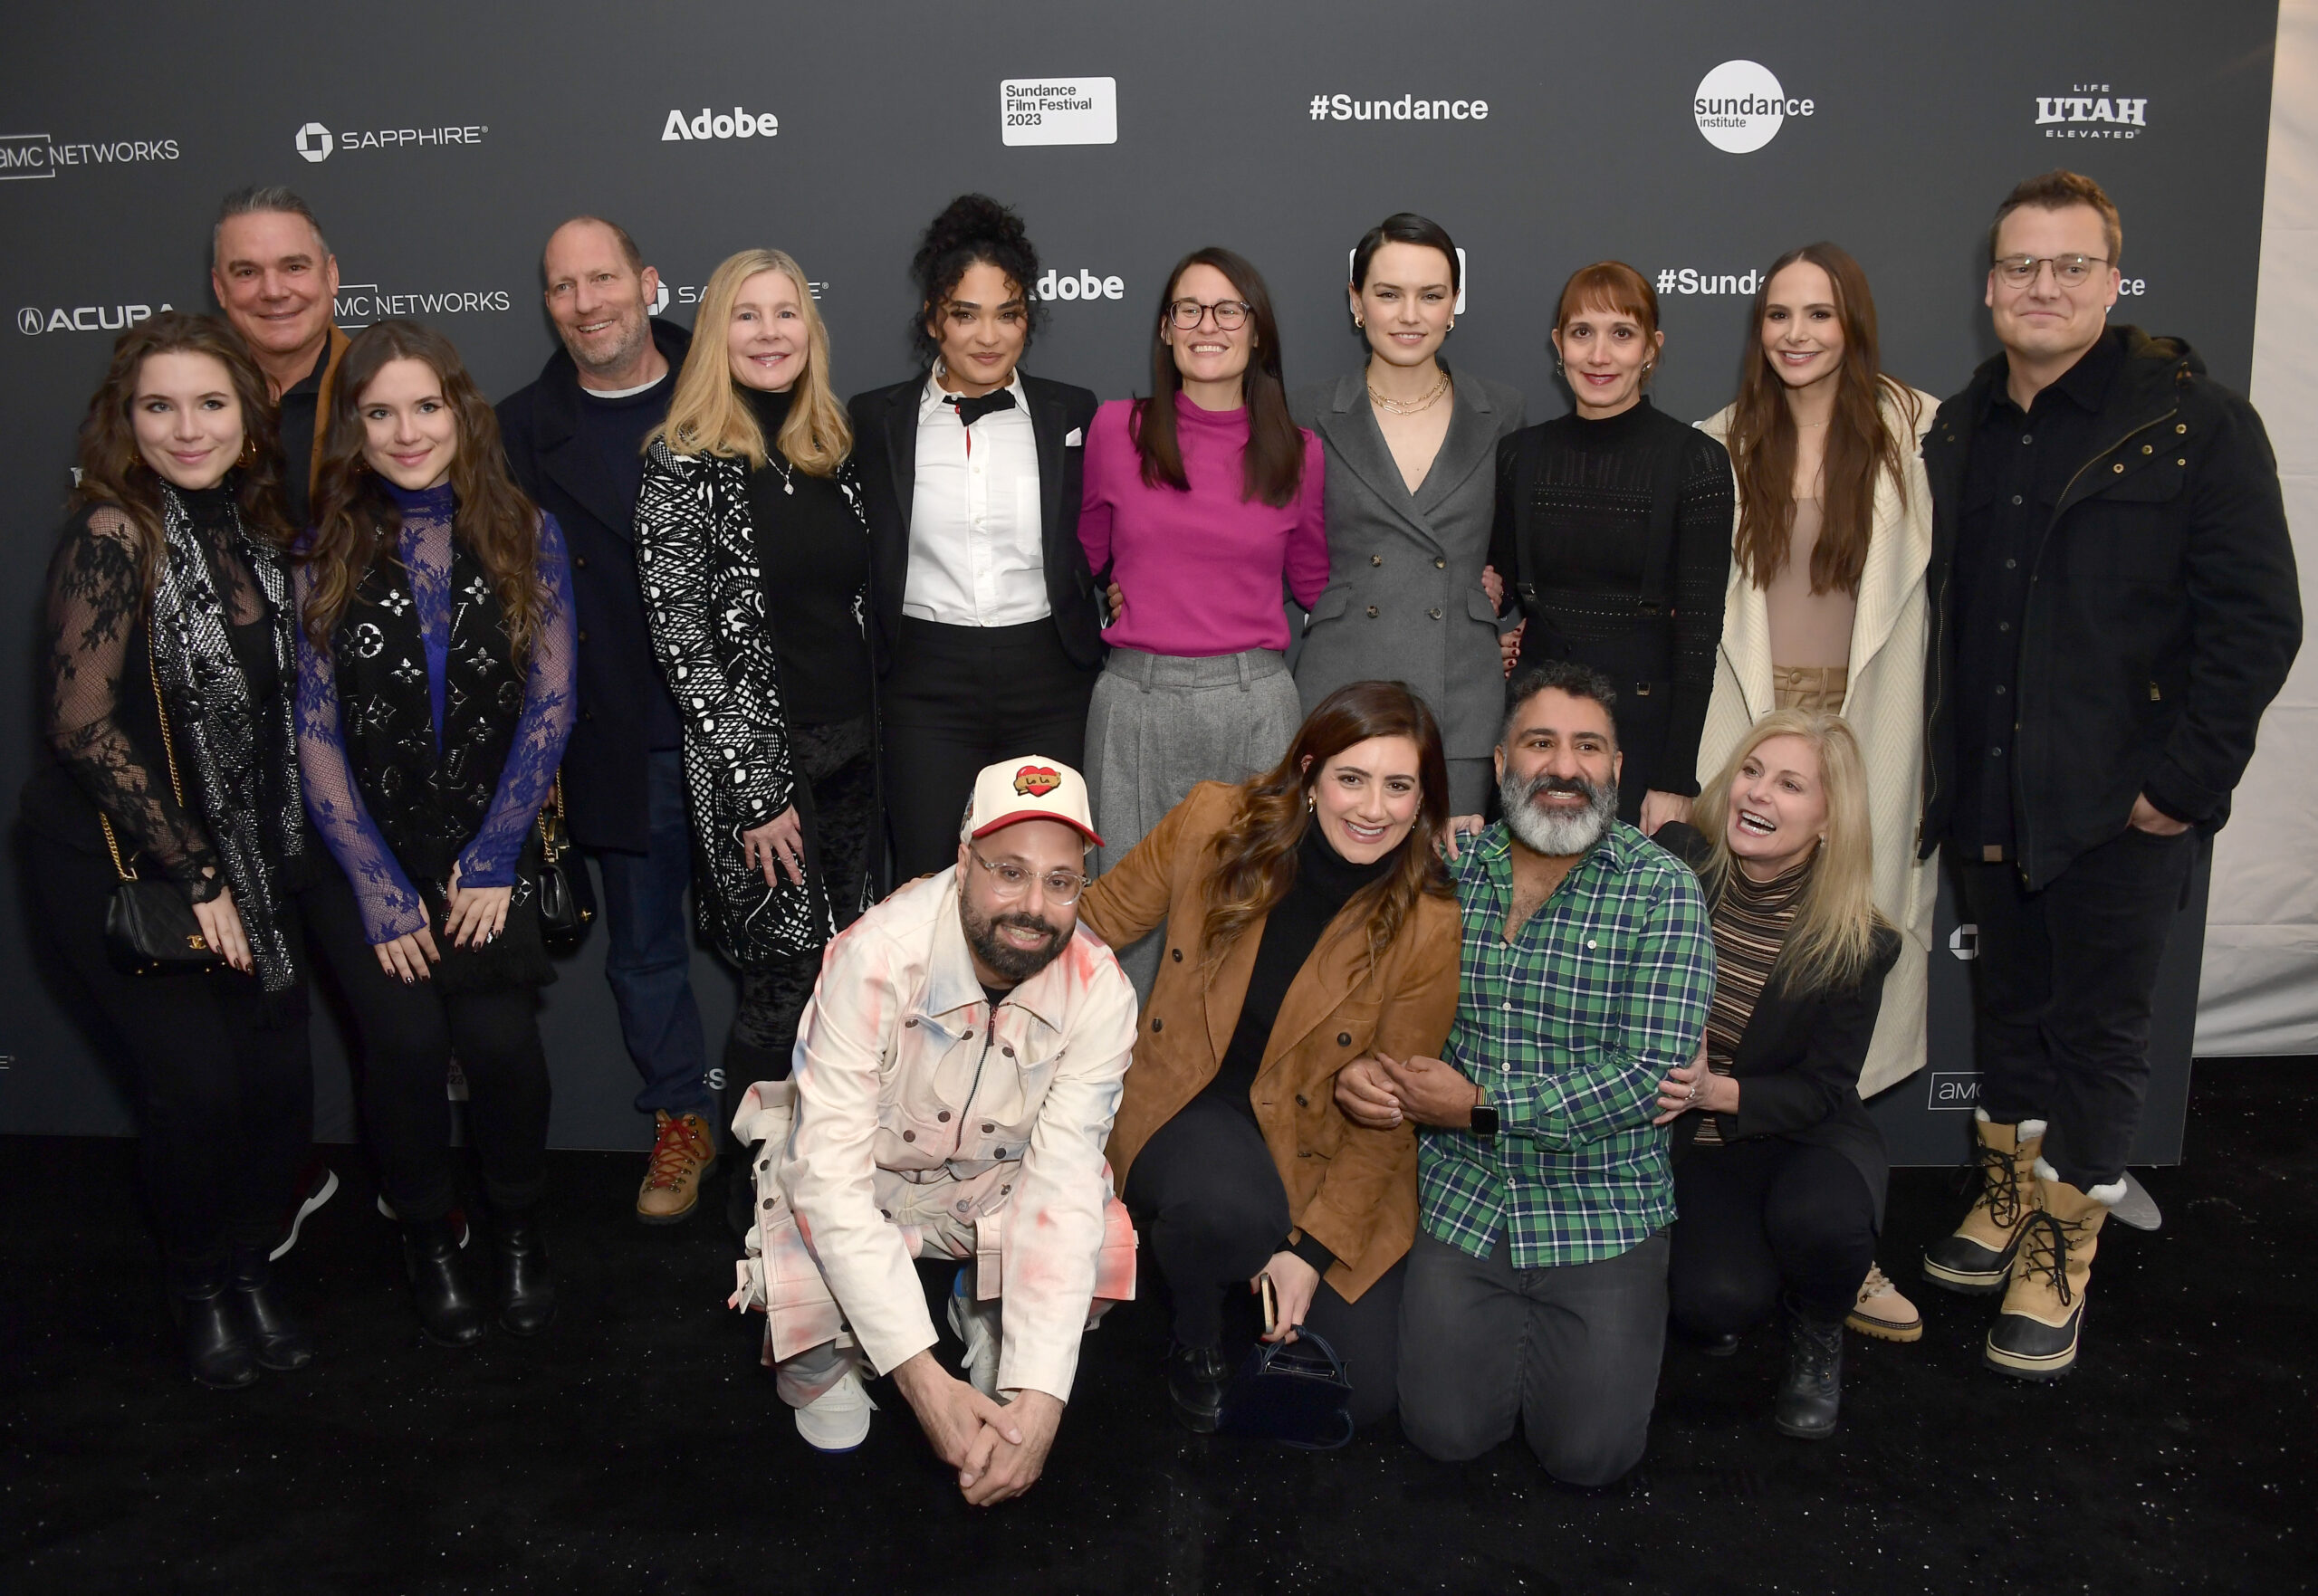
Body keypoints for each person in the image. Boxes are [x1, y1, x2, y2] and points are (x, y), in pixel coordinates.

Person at [1917, 170, 2299, 1380]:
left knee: (2100, 1030)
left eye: (2070, 265)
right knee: (2012, 1012)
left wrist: (2179, 787)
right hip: (1987, 786)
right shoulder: (1966, 422)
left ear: (2112, 279)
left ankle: (2063, 1241)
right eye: (2022, 265)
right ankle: (2009, 1194)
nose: (2044, 286)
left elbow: (2258, 620)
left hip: (2124, 807)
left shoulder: (2194, 420)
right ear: (1990, 288)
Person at [20, 313, 318, 1388]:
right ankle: (201, 1284)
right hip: (117, 863)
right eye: (159, 405)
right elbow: (85, 724)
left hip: (244, 857)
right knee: (194, 1088)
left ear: (248, 418)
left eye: (209, 403)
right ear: (125, 418)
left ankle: (248, 1265)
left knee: (274, 1083)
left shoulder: (253, 530)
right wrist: (199, 880)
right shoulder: (115, 531)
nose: (185, 428)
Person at [1336, 661, 1714, 1486]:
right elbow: (1370, 1003)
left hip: (1602, 1202)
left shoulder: (1664, 892)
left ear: (1617, 769)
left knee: (1591, 1457)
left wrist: (1481, 1106)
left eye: (1589, 747)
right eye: (1539, 743)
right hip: (1463, 1195)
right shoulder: (1445, 868)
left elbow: (1648, 1073)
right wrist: (1364, 1070)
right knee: (1442, 1432)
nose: (1565, 767)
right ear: (1502, 763)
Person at [728, 758, 1137, 1507]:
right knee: (798, 1278)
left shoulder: (1100, 989)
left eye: (1060, 880)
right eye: (1008, 871)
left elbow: (1065, 1184)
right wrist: (921, 1381)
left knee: (1103, 1242)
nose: (1034, 905)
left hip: (989, 1188)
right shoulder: (876, 956)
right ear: (962, 861)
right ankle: (831, 1362)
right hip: (868, 1184)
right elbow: (829, 1182)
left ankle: (983, 1310)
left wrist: (1042, 1398)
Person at [1074, 681, 1461, 1433]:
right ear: (1311, 773)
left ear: (1424, 800)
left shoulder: (1428, 920)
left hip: (1314, 1140)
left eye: (1398, 786)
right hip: (1191, 1096)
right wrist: (966, 913)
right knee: (1225, 1215)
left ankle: (1225, 1259)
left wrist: (1311, 1250)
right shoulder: (1215, 821)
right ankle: (1195, 1332)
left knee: (1365, 1386)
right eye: (1352, 778)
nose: (1373, 808)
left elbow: (1393, 1108)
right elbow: (1096, 921)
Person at [295, 319, 577, 1347]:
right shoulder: (323, 540)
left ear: (460, 411)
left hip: (484, 850)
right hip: (359, 846)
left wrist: (495, 856)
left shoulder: (524, 530)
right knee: (407, 1044)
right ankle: (425, 1233)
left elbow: (552, 703)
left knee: (503, 1048)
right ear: (354, 427)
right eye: (380, 411)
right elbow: (313, 727)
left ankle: (515, 1227)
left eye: (425, 406)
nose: (407, 431)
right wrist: (373, 880)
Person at [1695, 243, 1938, 1344]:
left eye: (1820, 314)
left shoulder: (1911, 436)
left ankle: (1839, 1236)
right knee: (1721, 964)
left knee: (1846, 964)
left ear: (1854, 324)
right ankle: (1717, 1197)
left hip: (1860, 734)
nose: (1796, 334)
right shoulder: (1716, 444)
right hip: (1744, 726)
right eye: (1778, 314)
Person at [635, 248, 881, 1190]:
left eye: (786, 314)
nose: (769, 332)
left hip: (856, 755)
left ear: (809, 332)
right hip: (760, 778)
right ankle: (765, 1201)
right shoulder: (678, 462)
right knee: (780, 988)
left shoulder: (835, 450)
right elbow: (684, 649)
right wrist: (755, 790)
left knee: (848, 981)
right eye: (747, 315)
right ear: (715, 335)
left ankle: (839, 1185)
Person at [498, 217, 718, 1226]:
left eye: (603, 279)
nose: (586, 303)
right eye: (562, 287)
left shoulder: (730, 386)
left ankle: (816, 1125)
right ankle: (680, 1115)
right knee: (643, 948)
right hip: (618, 735)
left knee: (791, 944)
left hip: (747, 730)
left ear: (649, 281)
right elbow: (501, 600)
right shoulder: (515, 431)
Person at [1081, 247, 1328, 992]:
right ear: (1165, 328)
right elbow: (1083, 558)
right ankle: (1117, 1098)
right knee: (1121, 928)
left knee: (1243, 924)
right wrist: (1109, 595)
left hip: (1254, 707)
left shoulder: (1301, 453)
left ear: (1258, 334)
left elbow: (1317, 583)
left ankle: (1223, 1101)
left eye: (1229, 310)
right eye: (1189, 308)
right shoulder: (1115, 430)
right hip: (1134, 705)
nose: (1207, 325)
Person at [1653, 712, 1900, 1440]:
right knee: (1712, 1304)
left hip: (1803, 1131)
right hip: (1706, 1142)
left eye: (1790, 785)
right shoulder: (1678, 861)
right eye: (1753, 772)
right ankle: (1755, 1273)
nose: (1757, 795)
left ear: (1830, 819)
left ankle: (1821, 1323)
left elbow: (1823, 1087)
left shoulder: (1860, 941)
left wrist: (1711, 1090)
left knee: (1820, 1223)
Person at [848, 196, 1105, 881]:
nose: (988, 336)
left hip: (1048, 676)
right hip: (924, 683)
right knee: (933, 879)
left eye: (1008, 313)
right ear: (934, 318)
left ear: (1029, 319)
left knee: (1045, 876)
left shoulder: (1071, 412)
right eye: (966, 313)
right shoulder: (876, 421)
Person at [1292, 215, 1526, 815]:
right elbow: (1260, 536)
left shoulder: (1500, 411)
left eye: (1431, 295)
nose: (1409, 315)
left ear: (1454, 305)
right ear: (1356, 302)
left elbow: (1520, 546)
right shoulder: (1306, 410)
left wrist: (1502, 611)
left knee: (1449, 892)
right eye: (1388, 294)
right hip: (1341, 681)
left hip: (1461, 691)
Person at [1489, 263, 1732, 833]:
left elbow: (1699, 637)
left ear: (1652, 348)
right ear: (1559, 344)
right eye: (1582, 333)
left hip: (1639, 737)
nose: (1600, 355)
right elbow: (1495, 587)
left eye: (1621, 334)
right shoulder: (1519, 457)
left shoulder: (1695, 461)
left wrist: (1675, 779)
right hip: (1532, 732)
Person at [211, 186, 350, 529]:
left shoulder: (381, 392)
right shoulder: (181, 406)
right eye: (247, 272)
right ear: (219, 288)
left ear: (331, 275)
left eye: (294, 267)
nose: (273, 291)